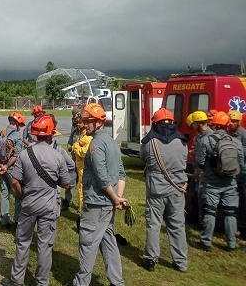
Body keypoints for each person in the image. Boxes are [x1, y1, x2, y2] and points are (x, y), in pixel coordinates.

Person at [1, 115, 71, 286]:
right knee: (45, 246)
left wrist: (22, 195)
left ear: (34, 134)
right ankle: (42, 282)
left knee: (23, 242)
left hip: (29, 205)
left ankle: (17, 280)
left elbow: (15, 180)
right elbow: (66, 183)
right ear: (51, 134)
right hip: (49, 206)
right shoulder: (57, 156)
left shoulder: (25, 155)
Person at [73, 103, 127, 286]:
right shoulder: (112, 141)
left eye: (88, 122)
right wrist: (117, 198)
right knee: (108, 241)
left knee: (87, 243)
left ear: (98, 122)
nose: (84, 125)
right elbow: (121, 173)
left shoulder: (96, 144)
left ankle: (81, 283)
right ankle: (116, 281)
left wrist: (115, 198)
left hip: (96, 204)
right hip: (108, 204)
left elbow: (102, 177)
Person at [139, 108, 189, 272]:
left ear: (155, 123)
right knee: (177, 226)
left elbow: (143, 157)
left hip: (156, 190)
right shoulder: (182, 142)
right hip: (177, 189)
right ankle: (181, 262)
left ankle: (151, 260)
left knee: (153, 225)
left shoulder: (149, 142)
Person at [191, 111, 245, 252]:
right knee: (230, 213)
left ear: (212, 124)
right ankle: (231, 243)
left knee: (210, 212)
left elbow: (200, 162)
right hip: (230, 182)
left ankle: (206, 242)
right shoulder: (236, 142)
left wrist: (199, 173)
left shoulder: (205, 141)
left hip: (212, 183)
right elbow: (241, 162)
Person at [0, 112, 26, 230]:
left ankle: (4, 220)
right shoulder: (17, 136)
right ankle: (17, 221)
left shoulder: (1, 133)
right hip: (11, 169)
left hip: (1, 167)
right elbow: (16, 155)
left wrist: (1, 165)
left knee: (4, 193)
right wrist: (7, 166)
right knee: (19, 194)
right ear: (17, 124)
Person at [226, 110, 246, 238]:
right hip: (231, 171)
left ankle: (243, 228)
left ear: (239, 122)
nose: (232, 123)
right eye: (231, 121)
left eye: (234, 121)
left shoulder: (243, 135)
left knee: (243, 200)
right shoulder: (227, 133)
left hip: (242, 173)